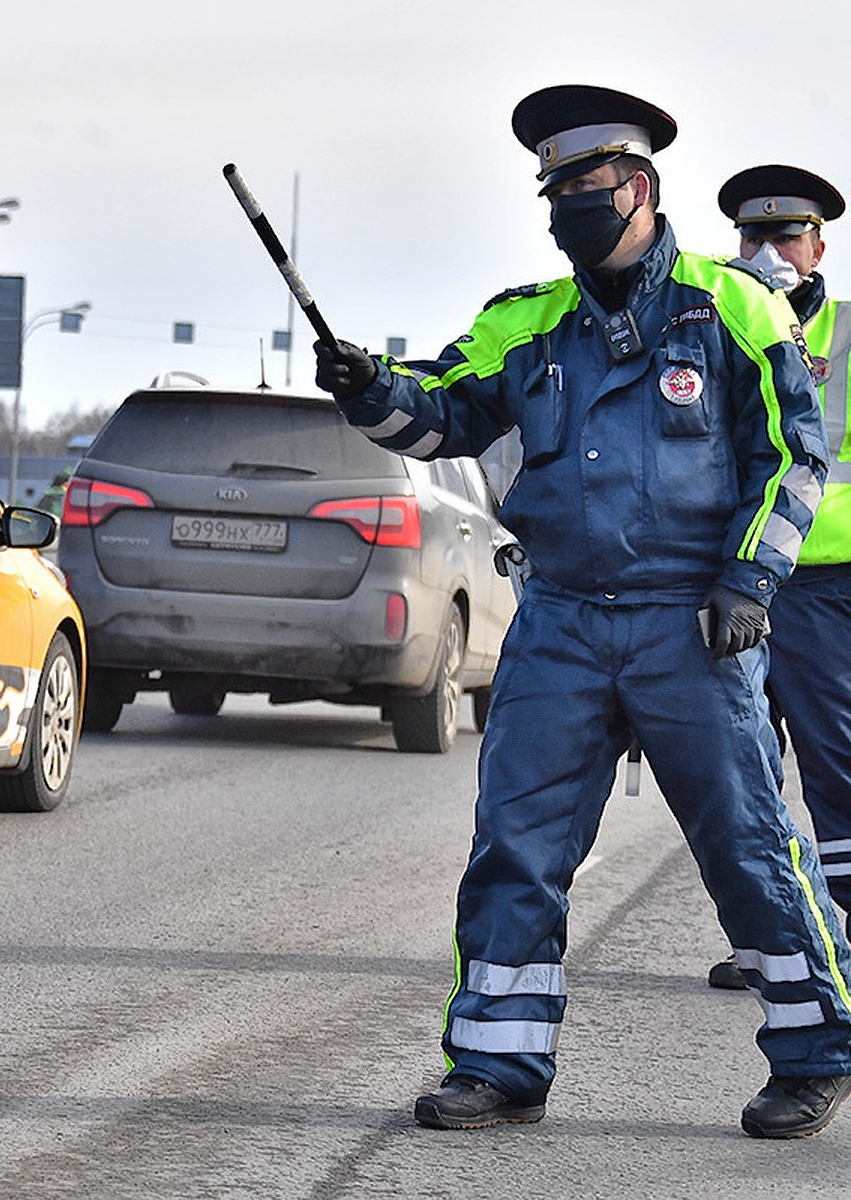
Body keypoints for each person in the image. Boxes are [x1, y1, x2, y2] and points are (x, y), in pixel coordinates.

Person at [313, 84, 851, 1139]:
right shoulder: (525, 321)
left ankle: (817, 1047)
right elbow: (439, 417)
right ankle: (500, 1062)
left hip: (687, 623)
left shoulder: (735, 307)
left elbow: (795, 455)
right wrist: (367, 388)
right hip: (558, 620)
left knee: (745, 841)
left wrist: (750, 580)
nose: (565, 206)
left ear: (637, 187)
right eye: (552, 191)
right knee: (517, 842)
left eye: (583, 188)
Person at [706, 165, 851, 993]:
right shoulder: (717, 320)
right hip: (737, 576)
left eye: (786, 235)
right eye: (753, 238)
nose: (769, 251)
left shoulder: (847, 332)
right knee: (742, 765)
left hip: (828, 582)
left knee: (835, 762)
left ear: (818, 244)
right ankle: (771, 938)